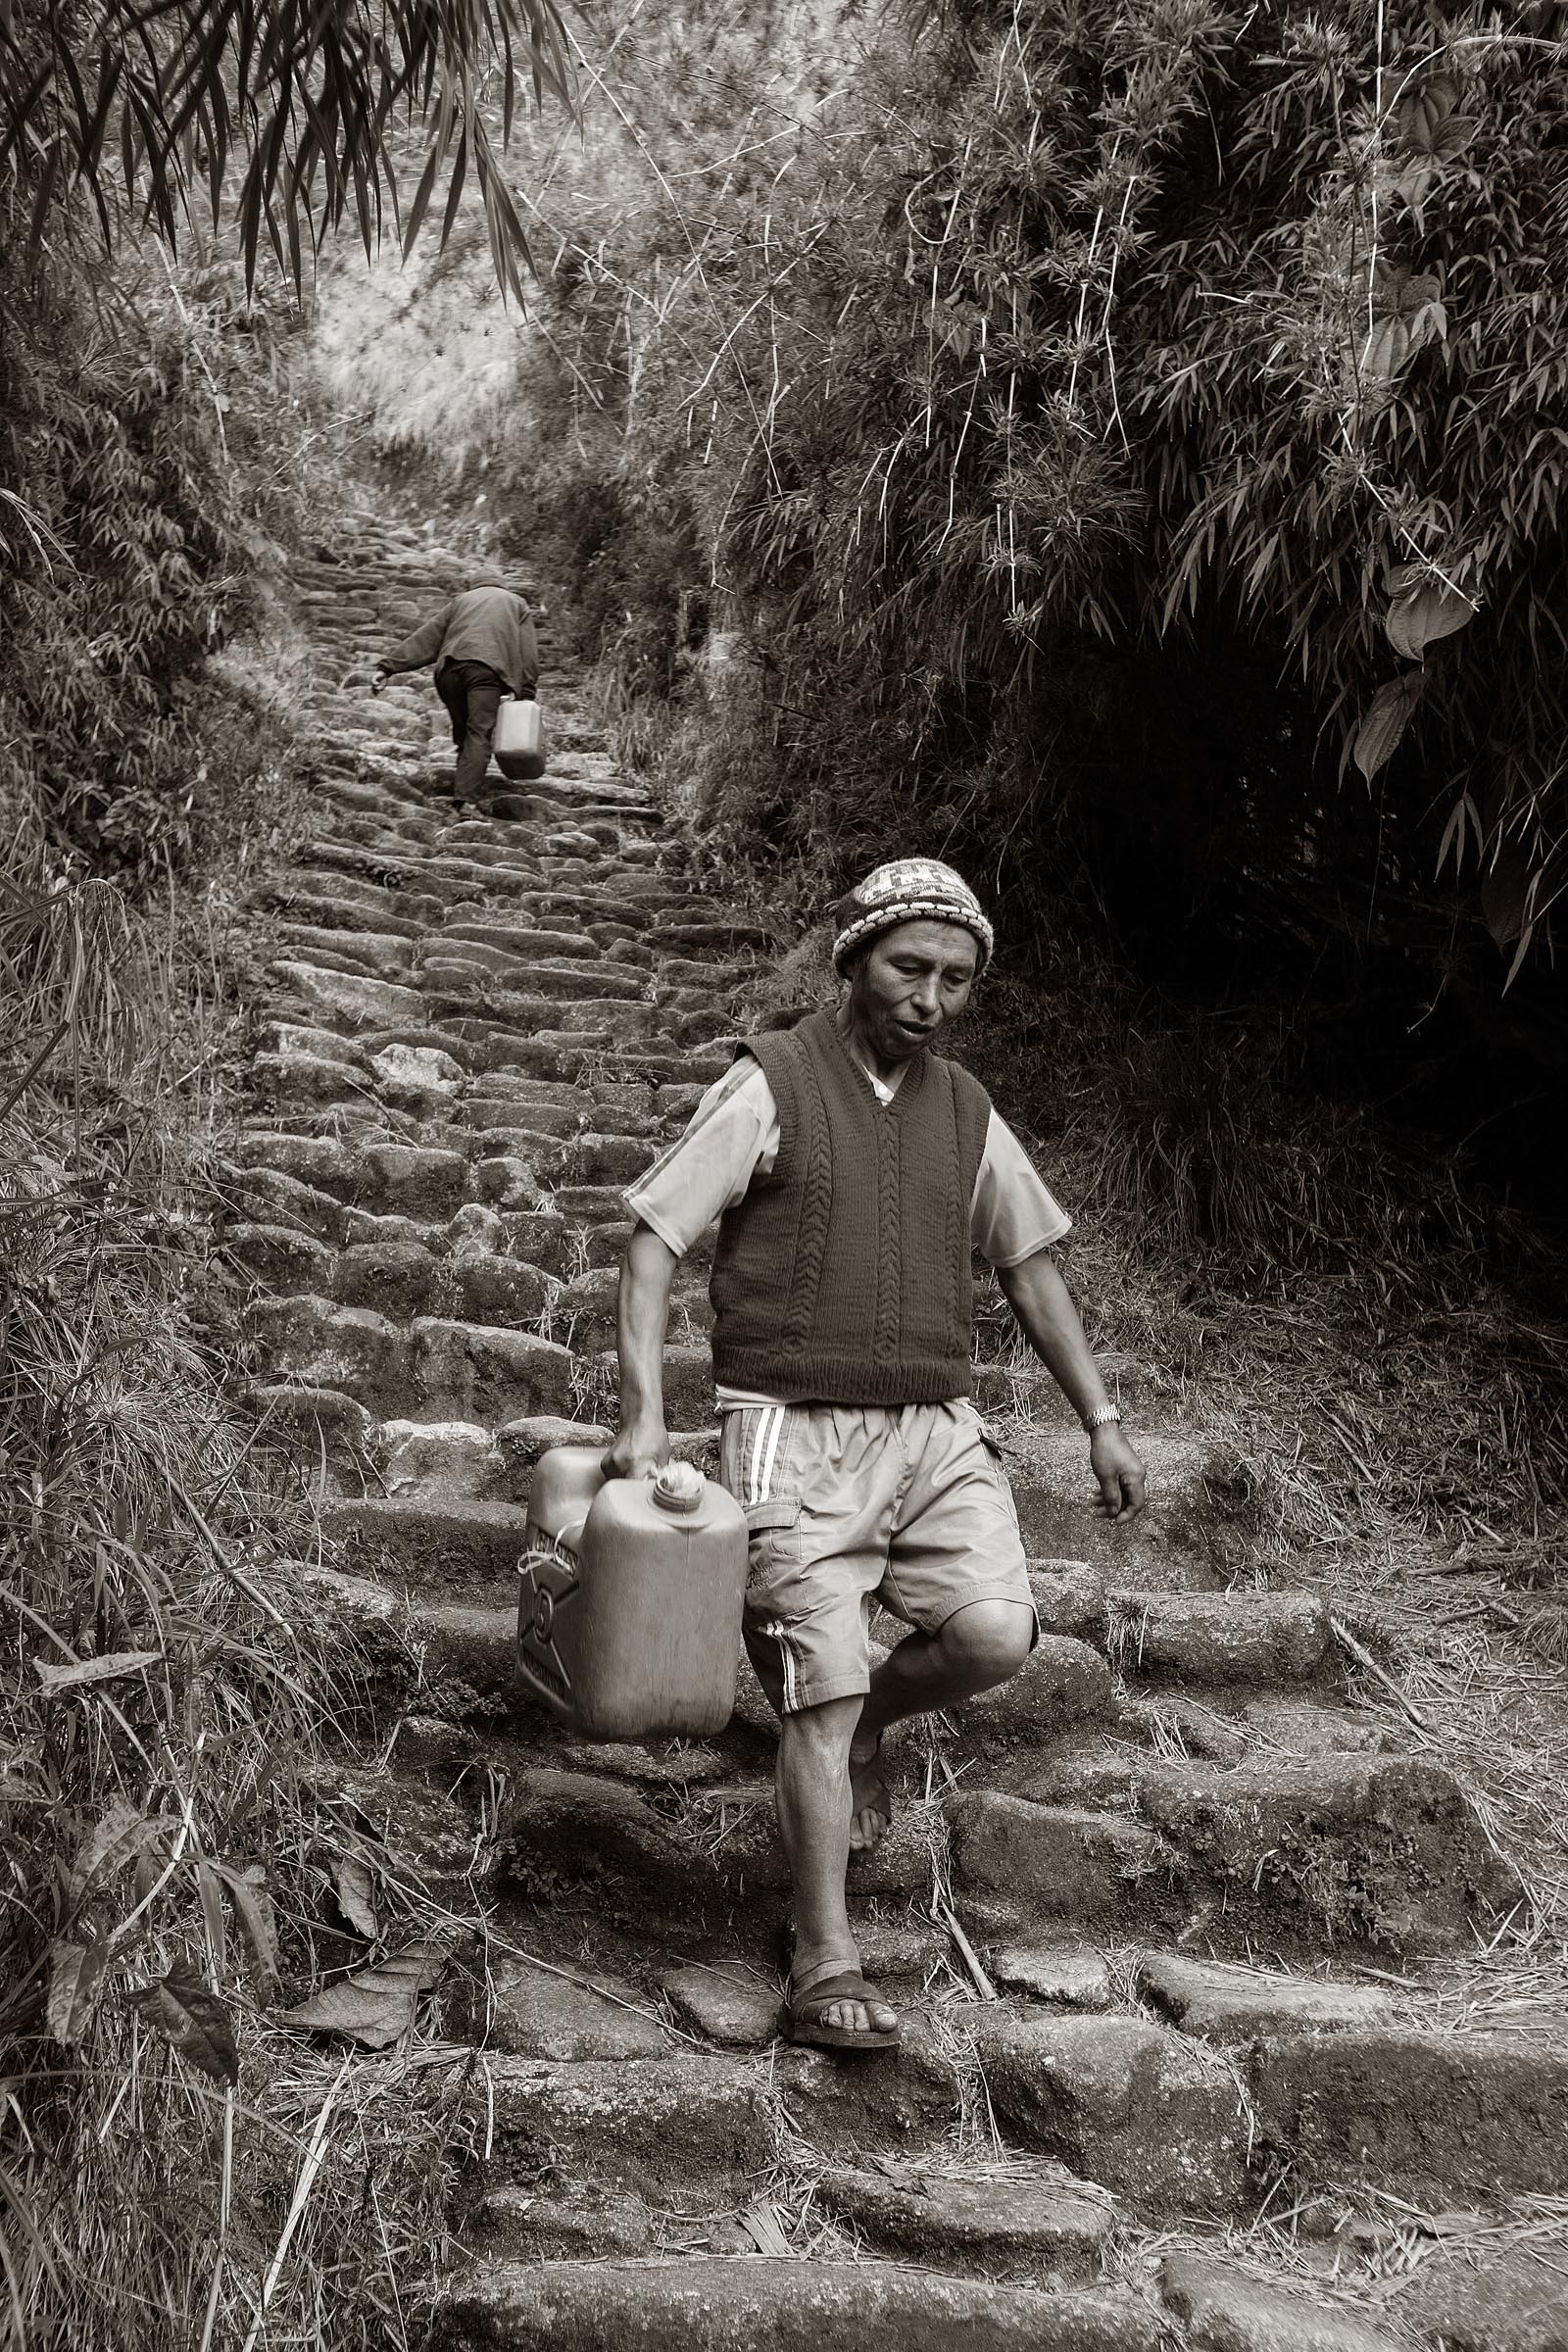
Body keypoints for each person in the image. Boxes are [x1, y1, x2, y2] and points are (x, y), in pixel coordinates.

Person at [605, 857, 1147, 2052]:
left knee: (998, 1633)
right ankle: (823, 1955)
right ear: (853, 960)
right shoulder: (773, 1082)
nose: (931, 997)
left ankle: (861, 1729)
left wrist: (1100, 1417)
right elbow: (651, 1241)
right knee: (819, 1687)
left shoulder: (965, 1108)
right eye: (909, 967)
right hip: (790, 1432)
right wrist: (644, 1414)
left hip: (935, 1429)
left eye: (955, 978)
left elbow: (1030, 1266)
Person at [370, 573, 538, 810]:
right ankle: (466, 801)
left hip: (449, 671)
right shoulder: (516, 603)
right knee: (479, 733)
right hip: (486, 672)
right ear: (502, 585)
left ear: (475, 585)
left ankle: (463, 785)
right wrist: (526, 691)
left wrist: (388, 667)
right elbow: (528, 652)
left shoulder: (461, 601)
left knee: (464, 733)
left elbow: (428, 637)